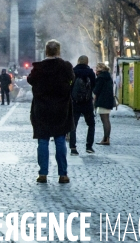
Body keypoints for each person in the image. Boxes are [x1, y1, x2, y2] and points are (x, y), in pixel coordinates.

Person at [28, 39, 74, 184]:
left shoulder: (39, 68)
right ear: (58, 51)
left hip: (42, 109)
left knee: (43, 140)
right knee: (60, 140)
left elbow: (30, 80)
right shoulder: (65, 67)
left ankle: (43, 174)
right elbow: (72, 79)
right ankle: (63, 174)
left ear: (46, 51)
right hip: (61, 109)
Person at [69, 55, 96, 156]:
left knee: (73, 126)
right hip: (87, 103)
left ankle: (73, 148)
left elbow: (69, 86)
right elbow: (94, 86)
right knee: (91, 124)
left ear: (78, 61)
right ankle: (89, 146)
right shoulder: (90, 72)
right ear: (87, 62)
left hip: (75, 103)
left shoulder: (73, 71)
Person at [93, 63, 115, 146]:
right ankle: (106, 138)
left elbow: (96, 90)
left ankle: (106, 139)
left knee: (105, 120)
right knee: (107, 120)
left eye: (97, 68)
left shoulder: (101, 77)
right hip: (108, 100)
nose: (96, 69)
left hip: (103, 101)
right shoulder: (108, 76)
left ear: (100, 69)